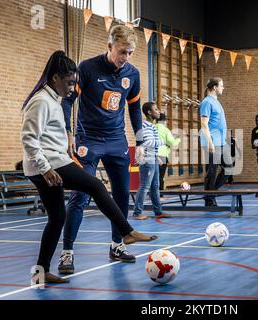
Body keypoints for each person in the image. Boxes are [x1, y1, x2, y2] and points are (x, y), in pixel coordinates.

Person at [21, 51, 157, 284]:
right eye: (69, 83)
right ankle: (126, 231)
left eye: (75, 82)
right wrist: (45, 169)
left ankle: (40, 272)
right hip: (50, 164)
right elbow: (28, 138)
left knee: (56, 218)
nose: (73, 88)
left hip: (52, 162)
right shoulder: (41, 101)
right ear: (55, 78)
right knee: (94, 185)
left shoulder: (53, 99)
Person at [58, 24, 145, 273]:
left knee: (121, 194)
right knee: (80, 195)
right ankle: (67, 253)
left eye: (129, 53)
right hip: (88, 140)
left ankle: (117, 244)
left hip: (117, 140)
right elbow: (68, 101)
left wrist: (139, 142)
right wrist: (68, 132)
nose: (125, 58)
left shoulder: (133, 74)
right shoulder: (87, 67)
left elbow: (135, 109)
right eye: (122, 52)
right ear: (110, 47)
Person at [132, 102, 171, 220]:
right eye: (156, 109)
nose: (159, 111)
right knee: (144, 186)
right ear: (149, 112)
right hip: (147, 161)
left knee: (155, 186)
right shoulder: (145, 125)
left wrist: (156, 157)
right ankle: (137, 213)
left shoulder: (152, 126)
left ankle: (158, 211)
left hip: (152, 158)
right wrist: (164, 142)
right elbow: (148, 143)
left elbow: (150, 145)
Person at [199, 77, 231, 207]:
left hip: (221, 141)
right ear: (215, 87)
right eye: (221, 86)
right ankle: (209, 199)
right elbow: (204, 124)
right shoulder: (207, 102)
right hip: (212, 141)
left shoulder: (216, 101)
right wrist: (210, 143)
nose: (223, 88)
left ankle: (211, 193)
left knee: (229, 168)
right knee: (212, 171)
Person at [155, 112, 180, 191]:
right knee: (160, 176)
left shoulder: (153, 127)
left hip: (152, 155)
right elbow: (172, 143)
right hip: (162, 155)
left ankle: (153, 193)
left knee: (153, 175)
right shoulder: (165, 130)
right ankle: (160, 194)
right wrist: (178, 139)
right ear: (164, 121)